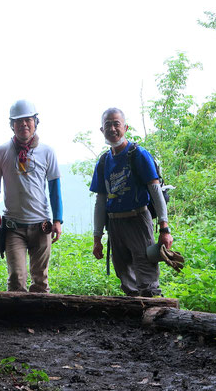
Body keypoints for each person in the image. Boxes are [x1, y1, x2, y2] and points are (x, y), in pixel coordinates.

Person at [90, 107, 173, 297]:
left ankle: (155, 315)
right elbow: (100, 201)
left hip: (138, 220)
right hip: (114, 223)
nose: (112, 128)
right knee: (124, 274)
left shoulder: (138, 154)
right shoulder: (103, 162)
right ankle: (135, 321)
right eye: (107, 125)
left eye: (116, 124)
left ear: (125, 127)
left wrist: (164, 228)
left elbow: (155, 191)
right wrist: (97, 238)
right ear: (102, 130)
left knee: (146, 273)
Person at [0, 100, 63, 293]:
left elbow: (55, 189)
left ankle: (38, 321)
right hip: (13, 227)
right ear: (11, 124)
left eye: (28, 120)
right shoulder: (1, 152)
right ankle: (17, 322)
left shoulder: (47, 152)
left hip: (41, 226)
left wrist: (58, 220)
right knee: (16, 279)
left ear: (36, 121)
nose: (24, 125)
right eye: (18, 121)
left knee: (40, 280)